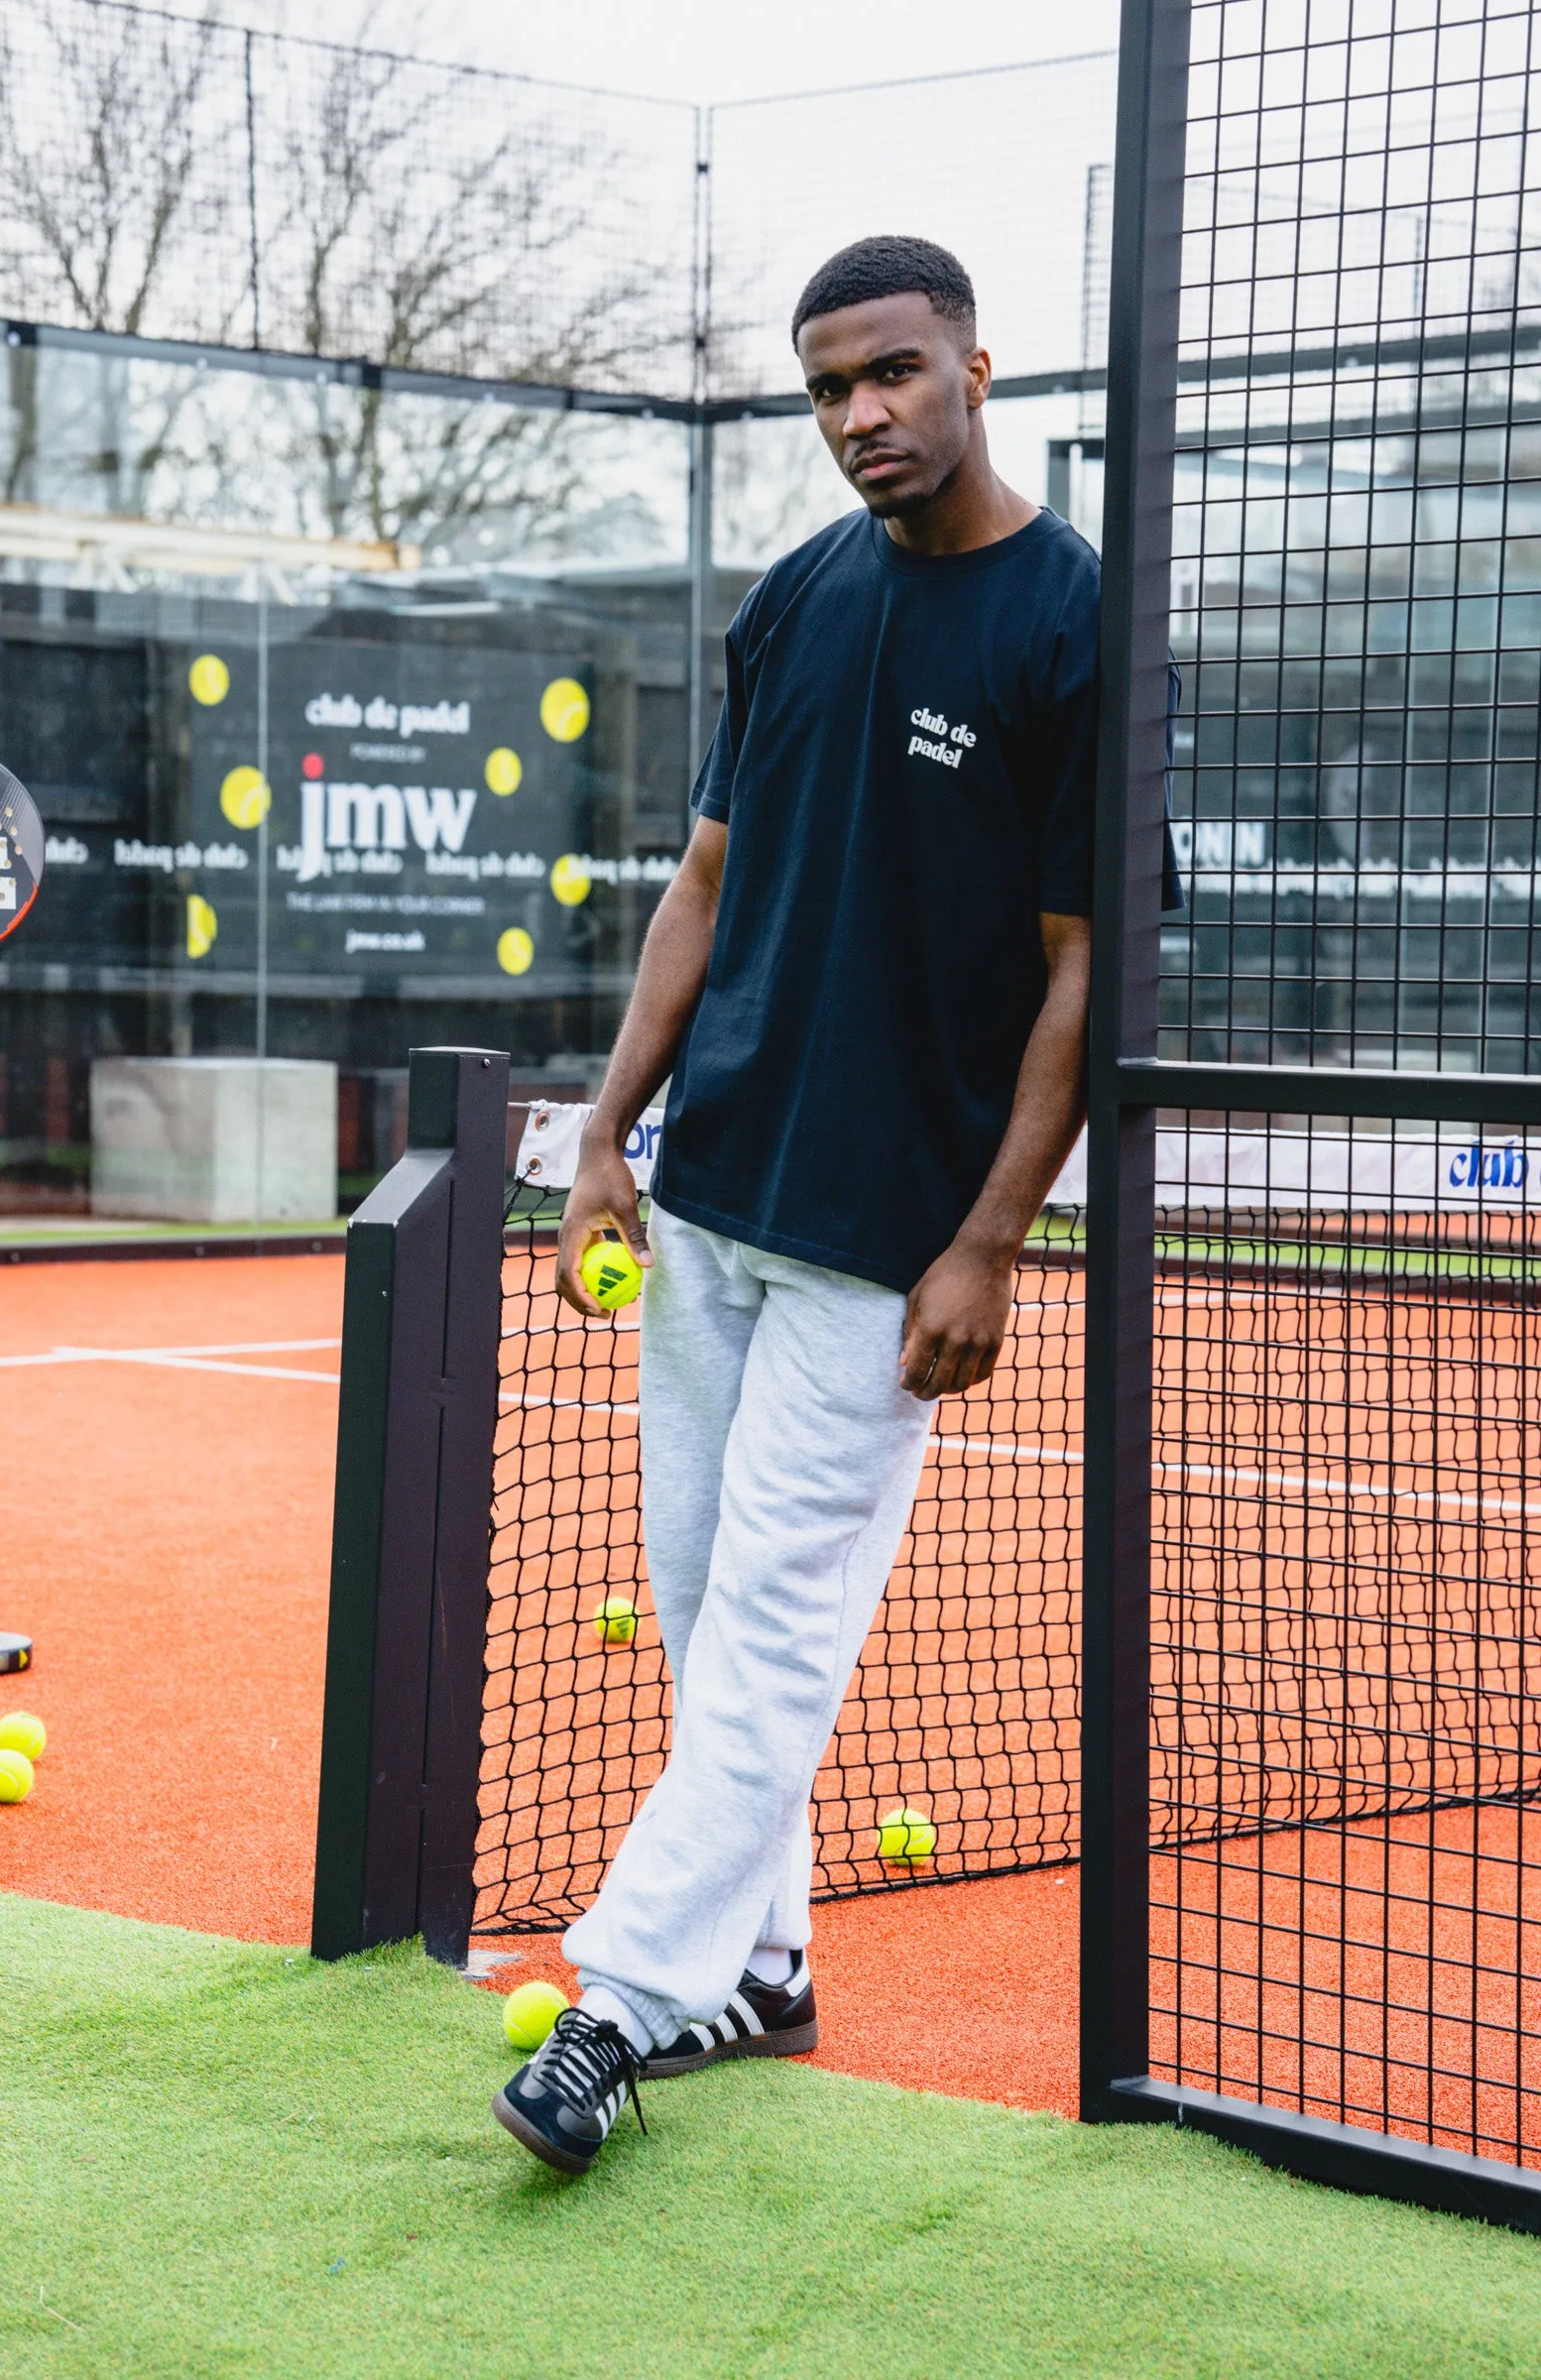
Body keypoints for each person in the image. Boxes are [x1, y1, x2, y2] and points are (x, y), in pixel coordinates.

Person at [492, 233, 1097, 2178]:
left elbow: (1082, 967)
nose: (859, 418)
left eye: (893, 376)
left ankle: (616, 2006)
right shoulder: (796, 600)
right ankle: (761, 1967)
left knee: (766, 1632)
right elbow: (697, 892)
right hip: (710, 1195)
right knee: (696, 1611)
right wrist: (606, 1132)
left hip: (885, 1239)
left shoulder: (1074, 623)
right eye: (827, 388)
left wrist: (988, 1239)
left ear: (976, 369)